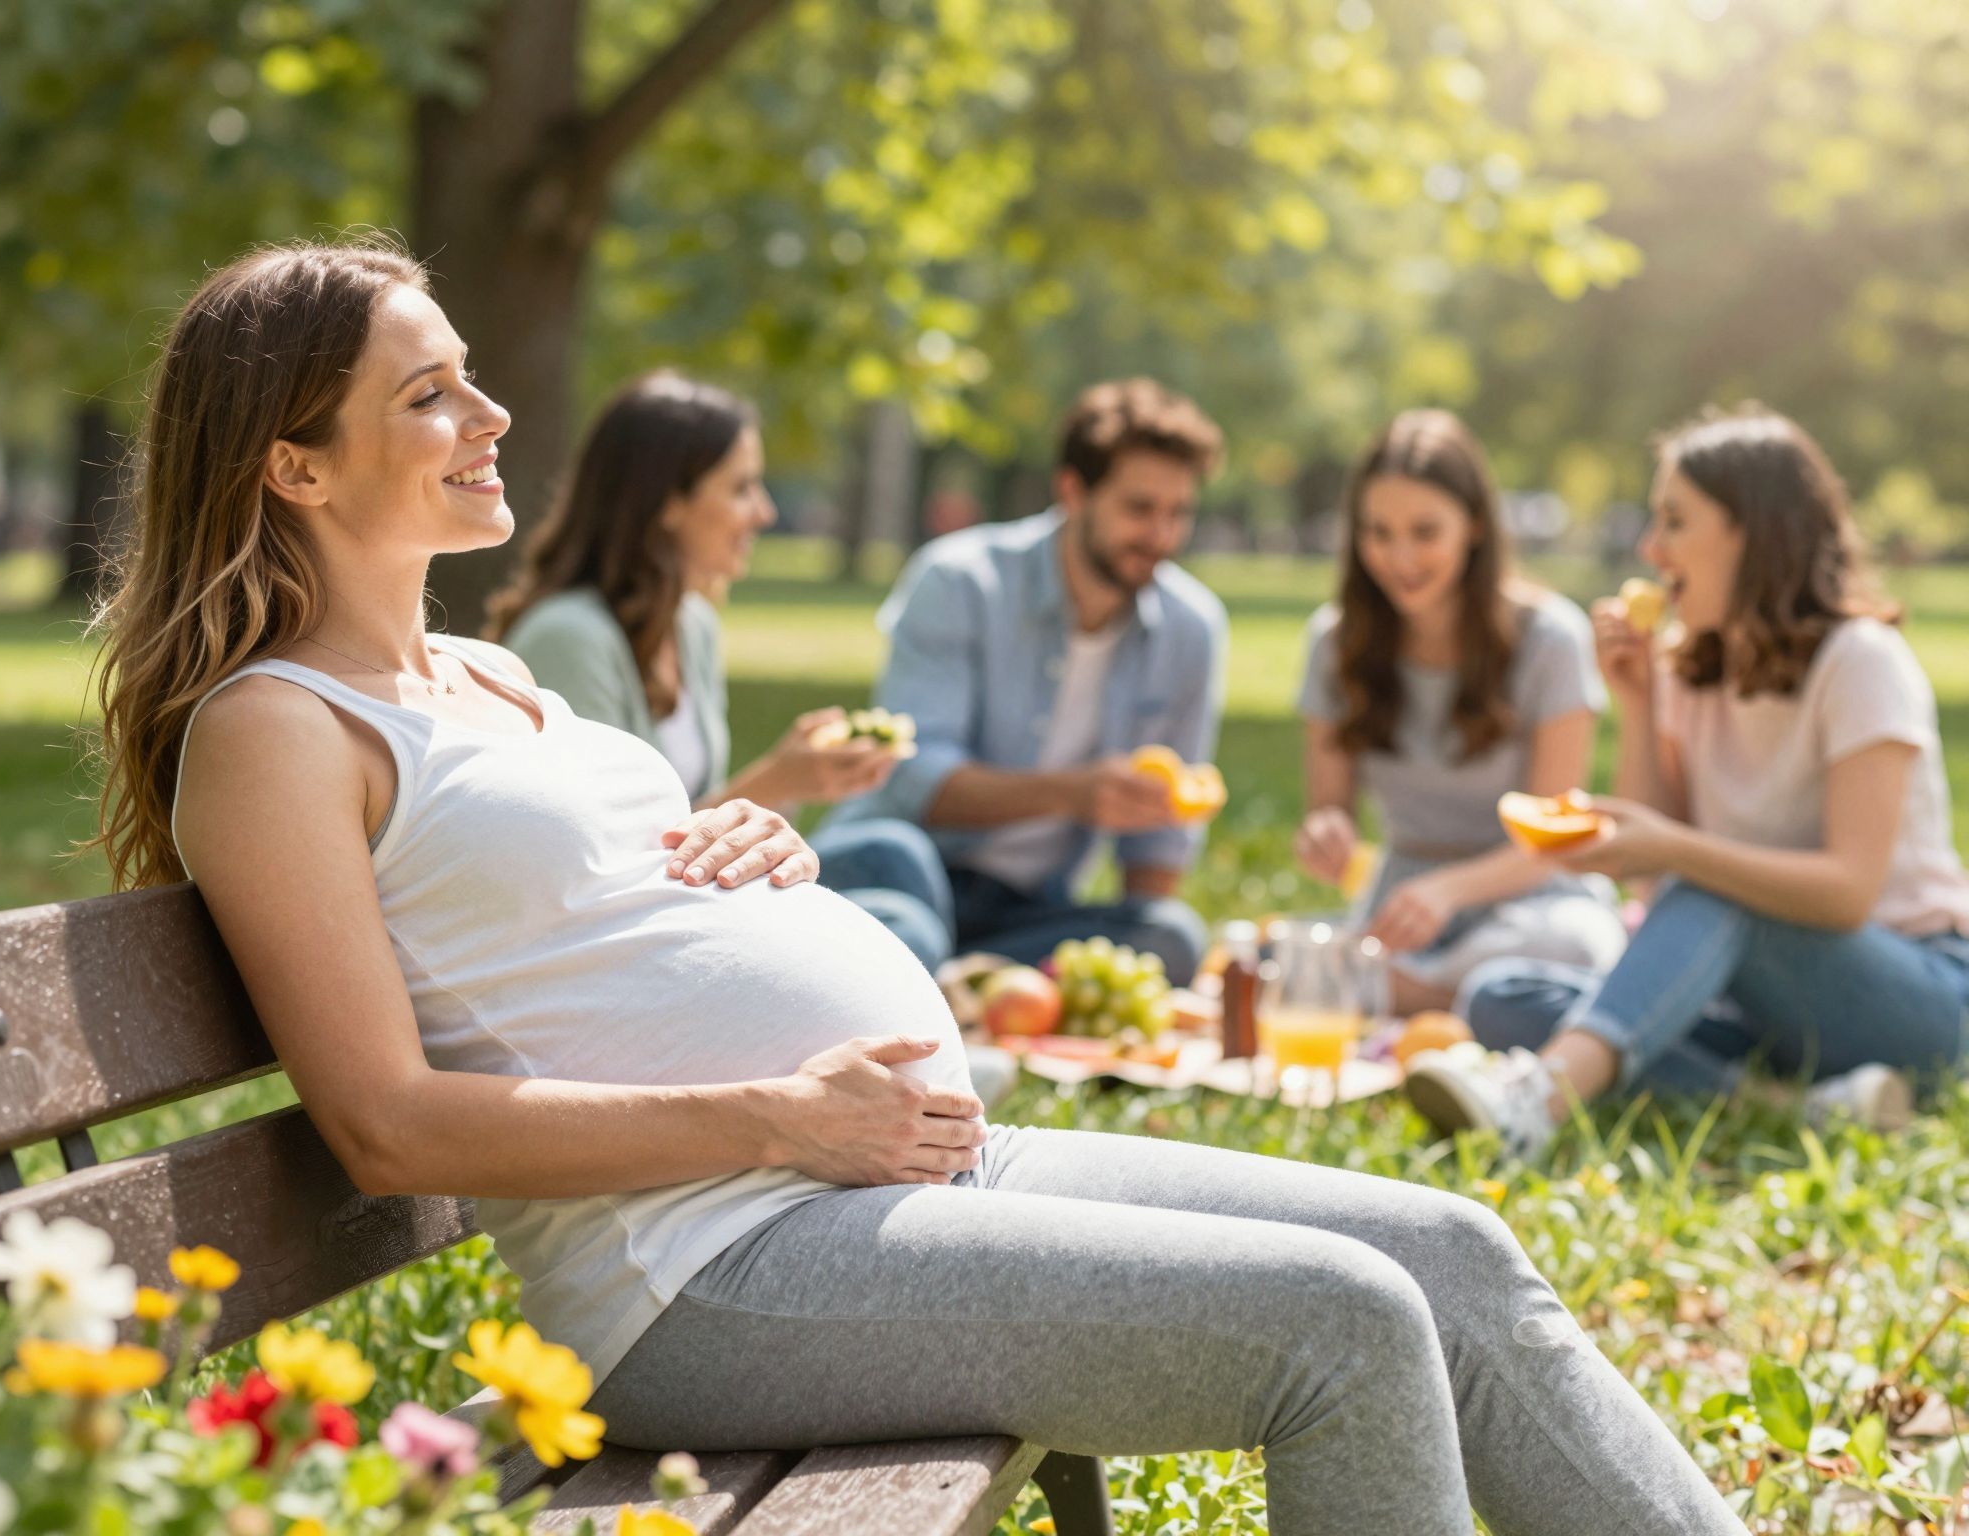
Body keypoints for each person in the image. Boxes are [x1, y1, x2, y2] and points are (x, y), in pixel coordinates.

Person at [90, 238, 1744, 1534]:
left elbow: (574, 919)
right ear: (297, 469)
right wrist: (776, 1112)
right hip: (701, 1268)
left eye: (471, 377)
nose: (493, 415)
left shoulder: (490, 674)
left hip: (894, 1169)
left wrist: (747, 847)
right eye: (430, 396)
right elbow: (387, 1126)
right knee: (1346, 1321)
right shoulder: (274, 731)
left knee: (1452, 1247)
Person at [1408, 405, 1969, 1158]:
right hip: (1761, 1003)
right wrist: (1639, 703)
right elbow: (1652, 880)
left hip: (1917, 996)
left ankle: (1539, 1099)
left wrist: (1678, 850)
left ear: (1756, 532)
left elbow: (1848, 892)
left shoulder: (1860, 661)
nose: (1650, 547)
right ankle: (1796, 1105)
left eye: (1675, 521)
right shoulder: (1689, 670)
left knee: (1713, 887)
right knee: (1501, 998)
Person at [482, 371, 957, 980]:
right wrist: (774, 780)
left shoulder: (692, 624)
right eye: (741, 489)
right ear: (668, 502)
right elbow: (613, 863)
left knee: (895, 852)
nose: (764, 512)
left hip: (696, 898)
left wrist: (794, 781)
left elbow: (694, 818)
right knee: (904, 927)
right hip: (626, 935)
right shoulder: (570, 638)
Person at [828, 379, 1226, 986]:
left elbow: (1159, 845)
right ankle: (954, 983)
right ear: (1072, 491)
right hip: (899, 872)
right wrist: (1071, 794)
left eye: (1179, 514)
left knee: (1171, 936)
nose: (1161, 536)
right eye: (1140, 509)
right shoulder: (960, 581)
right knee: (909, 907)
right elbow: (913, 778)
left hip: (1028, 908)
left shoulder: (1190, 629)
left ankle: (944, 987)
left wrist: (1135, 970)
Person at [1295, 411, 1626, 1015]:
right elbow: (1329, 805)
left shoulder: (1550, 638)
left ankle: (1407, 995)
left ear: (1474, 525)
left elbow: (1554, 842)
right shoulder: (1334, 643)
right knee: (1294, 956)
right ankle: (1466, 1002)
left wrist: (1450, 891)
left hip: (1530, 898)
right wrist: (1326, 833)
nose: (1400, 557)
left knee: (1572, 946)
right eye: (1378, 532)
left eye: (1425, 532)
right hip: (1402, 908)